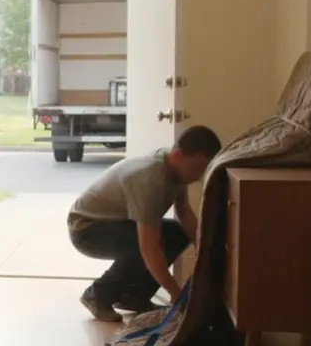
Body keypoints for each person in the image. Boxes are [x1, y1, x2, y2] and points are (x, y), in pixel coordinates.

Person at [67, 126, 223, 321]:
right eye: (196, 169)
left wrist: (207, 252)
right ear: (177, 155)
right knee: (144, 245)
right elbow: (148, 247)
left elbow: (184, 214)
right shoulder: (150, 180)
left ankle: (135, 297)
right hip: (86, 229)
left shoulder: (175, 171)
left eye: (203, 170)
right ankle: (98, 295)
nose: (198, 176)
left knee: (176, 232)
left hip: (115, 222)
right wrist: (177, 294)